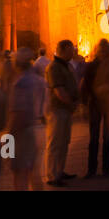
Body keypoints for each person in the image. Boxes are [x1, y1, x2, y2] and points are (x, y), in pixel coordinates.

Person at [81, 38, 109, 178]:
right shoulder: (92, 66)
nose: (103, 52)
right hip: (95, 104)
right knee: (94, 138)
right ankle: (91, 169)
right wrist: (84, 105)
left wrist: (108, 87)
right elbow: (86, 86)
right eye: (101, 49)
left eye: (105, 49)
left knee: (107, 137)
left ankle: (106, 168)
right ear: (97, 51)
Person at [5, 49, 45, 190]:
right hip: (40, 128)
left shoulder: (21, 83)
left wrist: (7, 146)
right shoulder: (40, 80)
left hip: (24, 133)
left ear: (16, 63)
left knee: (20, 174)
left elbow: (18, 115)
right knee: (35, 174)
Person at [44, 39, 80, 186]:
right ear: (64, 50)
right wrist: (71, 104)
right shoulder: (54, 68)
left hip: (65, 109)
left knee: (64, 142)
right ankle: (52, 175)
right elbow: (58, 90)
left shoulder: (65, 66)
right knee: (55, 143)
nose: (74, 52)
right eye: (71, 50)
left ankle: (59, 170)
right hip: (57, 109)